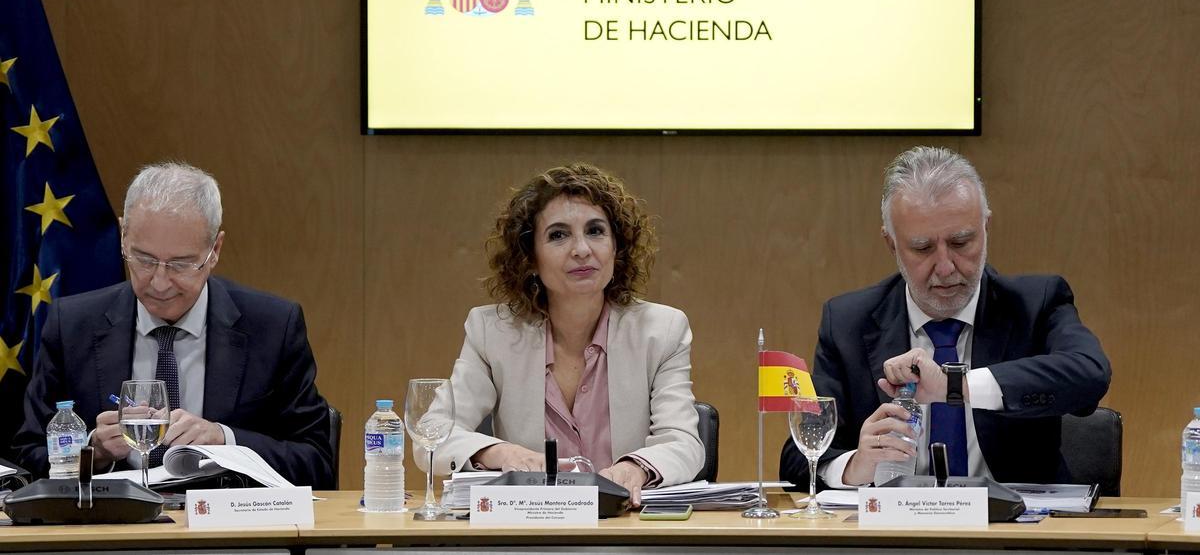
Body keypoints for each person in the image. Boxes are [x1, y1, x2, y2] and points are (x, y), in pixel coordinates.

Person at [780, 146, 1111, 488]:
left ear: (986, 227)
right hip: (897, 534)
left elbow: (1090, 375)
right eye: (922, 248)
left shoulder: (1035, 304)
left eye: (961, 242)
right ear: (891, 244)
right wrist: (855, 466)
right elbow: (798, 454)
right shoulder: (849, 321)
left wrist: (954, 387)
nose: (945, 267)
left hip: (1014, 532)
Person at [13, 162, 333, 488]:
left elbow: (317, 461)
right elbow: (25, 456)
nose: (160, 282)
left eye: (180, 264)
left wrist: (225, 441)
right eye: (144, 259)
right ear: (123, 238)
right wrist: (91, 452)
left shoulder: (273, 327)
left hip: (229, 533)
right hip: (110, 532)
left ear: (214, 251)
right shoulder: (72, 326)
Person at [424, 163, 704, 505]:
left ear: (617, 248)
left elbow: (683, 442)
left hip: (626, 532)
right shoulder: (492, 332)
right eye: (558, 235)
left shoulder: (661, 331)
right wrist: (502, 454)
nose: (582, 249)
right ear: (530, 258)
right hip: (530, 533)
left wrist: (636, 468)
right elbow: (432, 436)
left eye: (596, 231)